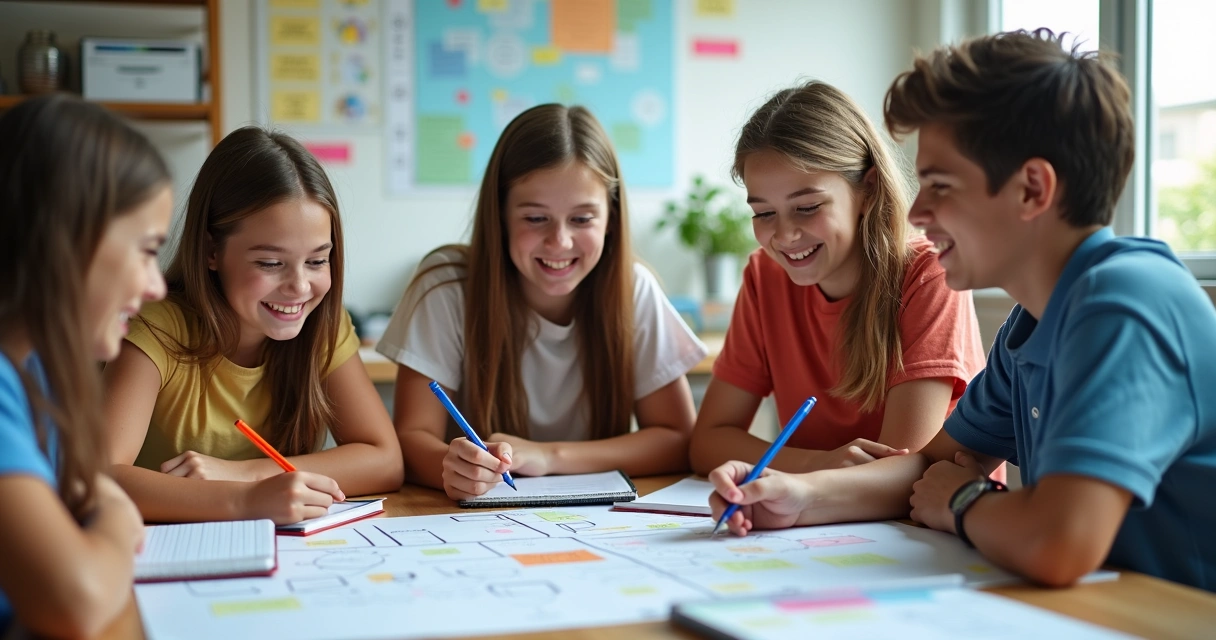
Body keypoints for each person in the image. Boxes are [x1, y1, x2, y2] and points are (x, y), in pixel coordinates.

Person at [708, 29, 1216, 592]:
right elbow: (928, 465)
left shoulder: (1126, 304)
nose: (918, 209)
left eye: (940, 185)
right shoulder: (1033, 321)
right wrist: (798, 497)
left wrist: (964, 499)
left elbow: (1059, 543)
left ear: (1031, 189)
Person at [377, 104, 707, 500]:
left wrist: (549, 457)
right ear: (499, 215)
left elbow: (677, 439)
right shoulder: (445, 286)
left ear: (611, 219)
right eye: (536, 219)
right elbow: (412, 438)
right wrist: (451, 467)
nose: (560, 242)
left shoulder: (633, 288)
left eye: (583, 219)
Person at [103, 127, 403, 523]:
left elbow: (385, 459)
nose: (299, 287)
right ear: (212, 251)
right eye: (270, 263)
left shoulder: (324, 328)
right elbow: (100, 477)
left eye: (317, 261)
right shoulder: (155, 330)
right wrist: (245, 501)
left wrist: (249, 475)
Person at [690, 80, 985, 476]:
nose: (784, 235)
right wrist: (818, 463)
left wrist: (797, 479)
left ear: (868, 188)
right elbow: (708, 441)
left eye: (807, 207)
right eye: (763, 213)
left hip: (920, 527)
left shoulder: (928, 275)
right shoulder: (765, 276)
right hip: (823, 520)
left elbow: (899, 471)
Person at [0, 95, 171, 637]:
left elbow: (84, 488)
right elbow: (75, 602)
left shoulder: (38, 365)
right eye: (146, 251)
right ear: (68, 240)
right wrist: (120, 522)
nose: (156, 285)